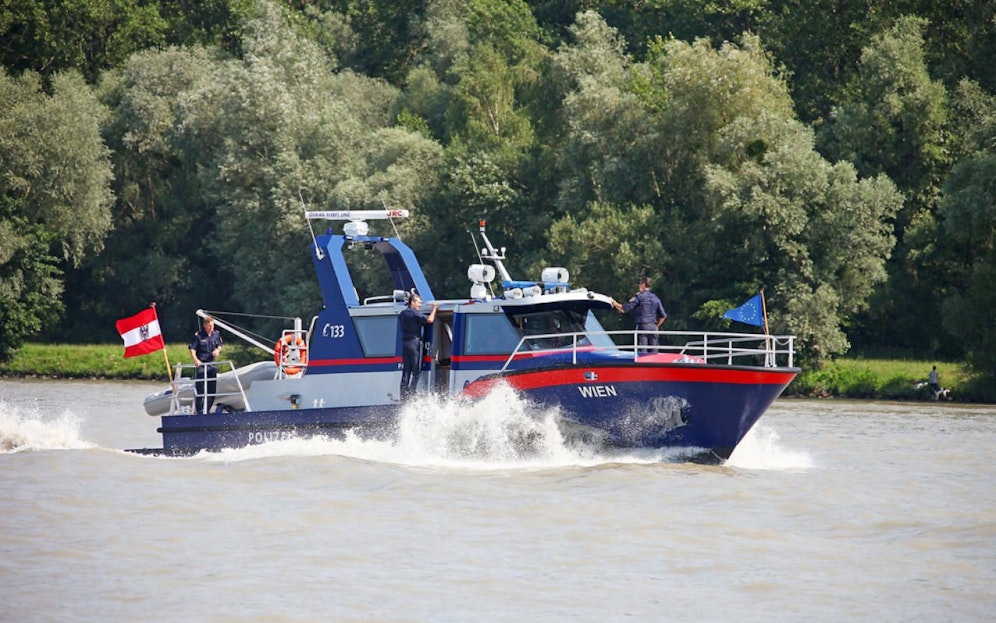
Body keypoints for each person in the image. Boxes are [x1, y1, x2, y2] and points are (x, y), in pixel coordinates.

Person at [398, 293, 439, 401]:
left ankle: (403, 395)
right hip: (414, 343)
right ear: (412, 302)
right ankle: (412, 392)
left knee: (406, 370)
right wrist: (434, 309)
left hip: (405, 344)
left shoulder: (402, 314)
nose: (420, 305)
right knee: (416, 370)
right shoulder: (415, 313)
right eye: (419, 303)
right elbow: (430, 320)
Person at [613, 277, 667, 353]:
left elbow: (624, 309)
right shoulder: (656, 298)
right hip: (653, 327)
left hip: (643, 326)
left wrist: (613, 302)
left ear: (643, 284)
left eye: (640, 284)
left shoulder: (639, 297)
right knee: (654, 352)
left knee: (642, 352)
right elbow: (663, 316)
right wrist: (656, 326)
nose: (639, 285)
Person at [188, 315, 223, 414]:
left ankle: (207, 410)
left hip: (211, 364)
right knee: (200, 389)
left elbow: (219, 345)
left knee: (212, 389)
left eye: (212, 325)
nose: (211, 327)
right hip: (201, 364)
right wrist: (196, 360)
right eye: (209, 326)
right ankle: (199, 410)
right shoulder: (199, 336)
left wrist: (217, 350)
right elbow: (192, 348)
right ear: (205, 325)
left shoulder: (216, 334)